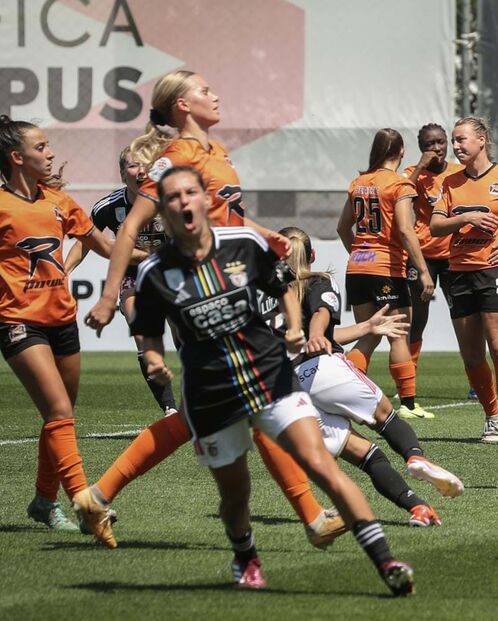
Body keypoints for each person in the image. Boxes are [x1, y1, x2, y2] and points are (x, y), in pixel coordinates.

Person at [73, 70, 344, 550]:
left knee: (233, 410)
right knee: (261, 401)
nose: (214, 94)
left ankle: (98, 495)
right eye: (203, 89)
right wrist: (110, 295)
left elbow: (229, 218)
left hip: (232, 285)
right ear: (181, 105)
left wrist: (266, 235)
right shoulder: (174, 158)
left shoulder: (215, 154)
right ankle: (311, 516)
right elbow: (131, 228)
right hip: (201, 293)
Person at [130, 166, 414, 594]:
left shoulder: (243, 244)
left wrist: (297, 325)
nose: (184, 201)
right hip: (212, 395)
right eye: (173, 197)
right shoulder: (155, 271)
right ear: (163, 211)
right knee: (236, 496)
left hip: (272, 379)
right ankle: (245, 556)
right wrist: (153, 357)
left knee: (323, 467)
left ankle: (387, 562)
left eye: (191, 192)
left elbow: (284, 284)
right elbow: (149, 328)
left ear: (207, 201)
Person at [279, 226, 463, 502]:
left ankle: (417, 508)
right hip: (322, 369)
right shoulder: (319, 281)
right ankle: (416, 456)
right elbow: (321, 316)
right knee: (386, 417)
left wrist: (366, 326)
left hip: (290, 392)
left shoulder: (266, 294)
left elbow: (317, 334)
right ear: (312, 254)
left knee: (363, 453)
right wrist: (318, 334)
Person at [0, 115, 117, 546]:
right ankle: (86, 504)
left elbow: (106, 246)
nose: (50, 154)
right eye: (42, 147)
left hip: (63, 320)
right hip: (18, 322)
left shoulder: (59, 202)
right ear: (17, 157)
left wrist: (169, 255)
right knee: (59, 413)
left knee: (61, 416)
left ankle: (43, 501)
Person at [430, 117, 498, 446]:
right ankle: (491, 416)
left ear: (482, 140)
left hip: (495, 268)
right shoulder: (449, 183)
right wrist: (465, 217)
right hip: (458, 271)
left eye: (462, 139)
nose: (456, 146)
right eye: (454, 140)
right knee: (472, 355)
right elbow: (436, 226)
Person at [64, 146, 178, 417]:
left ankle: (199, 403)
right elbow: (85, 241)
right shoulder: (109, 206)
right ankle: (171, 410)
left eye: (146, 165)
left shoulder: (172, 199)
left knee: (185, 335)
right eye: (133, 165)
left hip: (175, 274)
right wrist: (64, 270)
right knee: (142, 336)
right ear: (121, 173)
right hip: (134, 275)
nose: (140, 171)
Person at [336, 128, 436, 420]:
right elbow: (406, 230)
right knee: (398, 336)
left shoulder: (359, 182)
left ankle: (345, 392)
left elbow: (343, 227)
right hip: (386, 270)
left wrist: (360, 254)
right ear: (402, 151)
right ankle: (408, 404)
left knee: (369, 333)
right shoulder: (400, 185)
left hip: (357, 268)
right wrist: (425, 272)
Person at [402, 124, 464, 365]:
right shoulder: (413, 173)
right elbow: (400, 192)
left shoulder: (460, 172)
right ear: (421, 147)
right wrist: (420, 166)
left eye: (440, 142)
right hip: (422, 255)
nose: (436, 148)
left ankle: (475, 380)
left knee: (463, 317)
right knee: (416, 319)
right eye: (430, 144)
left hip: (454, 254)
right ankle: (408, 377)